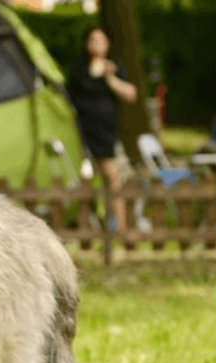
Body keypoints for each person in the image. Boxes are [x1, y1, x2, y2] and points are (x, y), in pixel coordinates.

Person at [67, 26, 137, 233]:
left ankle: (120, 227)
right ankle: (84, 225)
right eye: (93, 40)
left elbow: (131, 95)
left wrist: (110, 78)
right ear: (86, 44)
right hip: (83, 133)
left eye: (101, 40)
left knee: (111, 178)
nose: (97, 44)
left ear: (107, 45)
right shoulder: (78, 69)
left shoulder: (114, 68)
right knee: (85, 179)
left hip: (105, 133)